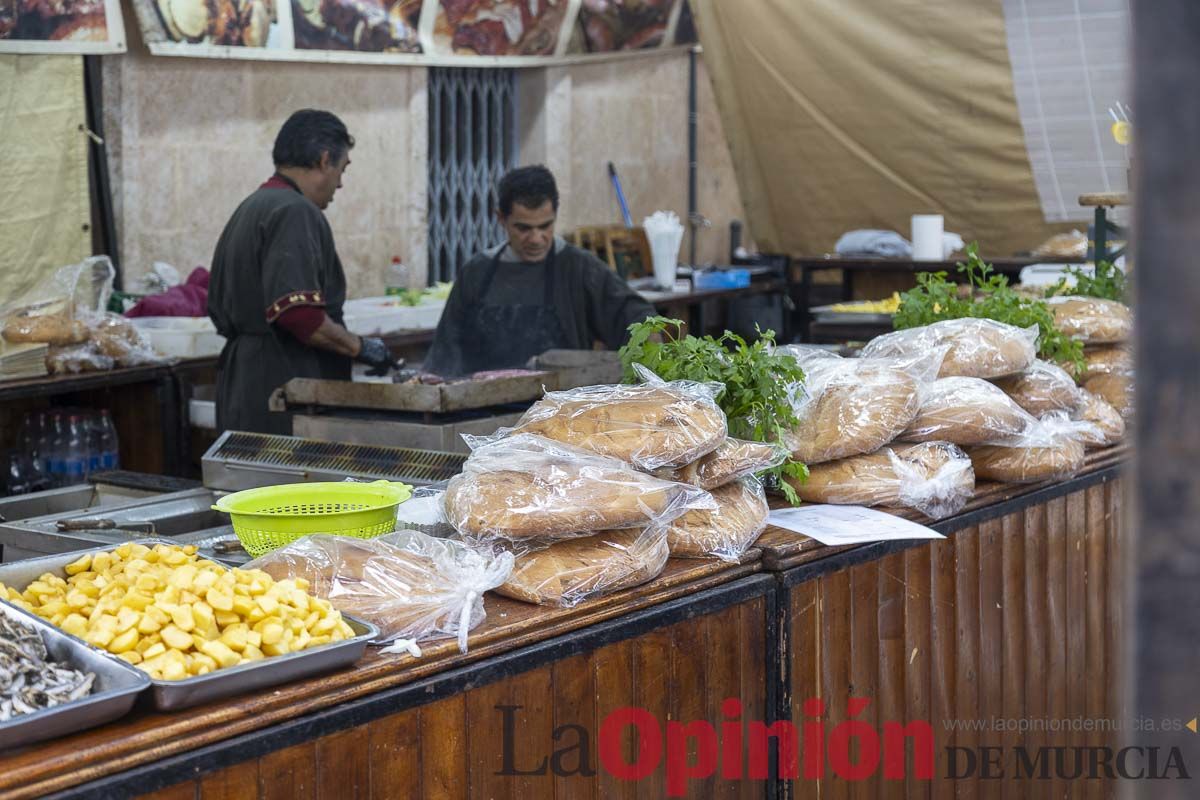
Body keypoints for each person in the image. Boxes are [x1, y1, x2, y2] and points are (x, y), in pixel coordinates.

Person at [208, 109, 397, 434]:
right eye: (342, 169)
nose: (340, 183)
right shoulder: (295, 212)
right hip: (283, 388)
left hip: (245, 384)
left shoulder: (252, 205)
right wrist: (361, 348)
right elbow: (300, 317)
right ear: (325, 160)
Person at [423, 165, 656, 376]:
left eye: (545, 226)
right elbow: (445, 355)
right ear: (501, 219)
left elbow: (640, 321)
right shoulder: (477, 273)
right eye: (523, 228)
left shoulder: (579, 268)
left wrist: (649, 355)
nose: (536, 239)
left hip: (561, 411)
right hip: (483, 410)